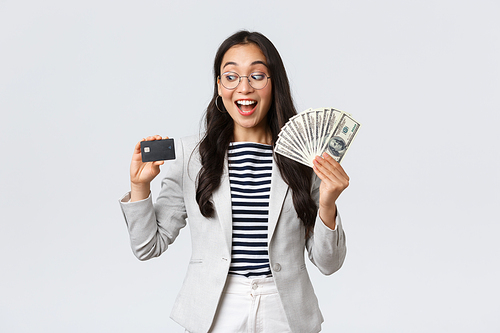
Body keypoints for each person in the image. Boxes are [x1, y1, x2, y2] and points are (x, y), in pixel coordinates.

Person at [120, 30, 349, 333]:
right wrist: (140, 188)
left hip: (285, 312)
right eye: (231, 76)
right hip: (215, 311)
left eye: (257, 75)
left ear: (274, 83)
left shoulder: (304, 160)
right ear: (219, 86)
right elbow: (148, 247)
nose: (244, 87)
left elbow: (328, 263)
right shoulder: (191, 157)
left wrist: (328, 203)